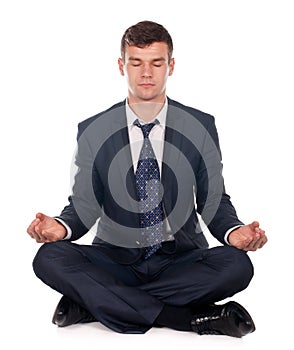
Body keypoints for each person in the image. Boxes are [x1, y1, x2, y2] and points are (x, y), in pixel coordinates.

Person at [27, 20, 267, 337]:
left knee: (238, 266)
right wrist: (60, 226)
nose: (146, 73)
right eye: (136, 63)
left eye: (156, 63)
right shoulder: (93, 129)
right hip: (114, 260)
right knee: (49, 257)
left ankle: (93, 304)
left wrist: (234, 232)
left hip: (181, 260)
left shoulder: (200, 125)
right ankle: (187, 319)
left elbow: (213, 200)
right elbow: (86, 204)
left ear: (171, 65)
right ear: (121, 65)